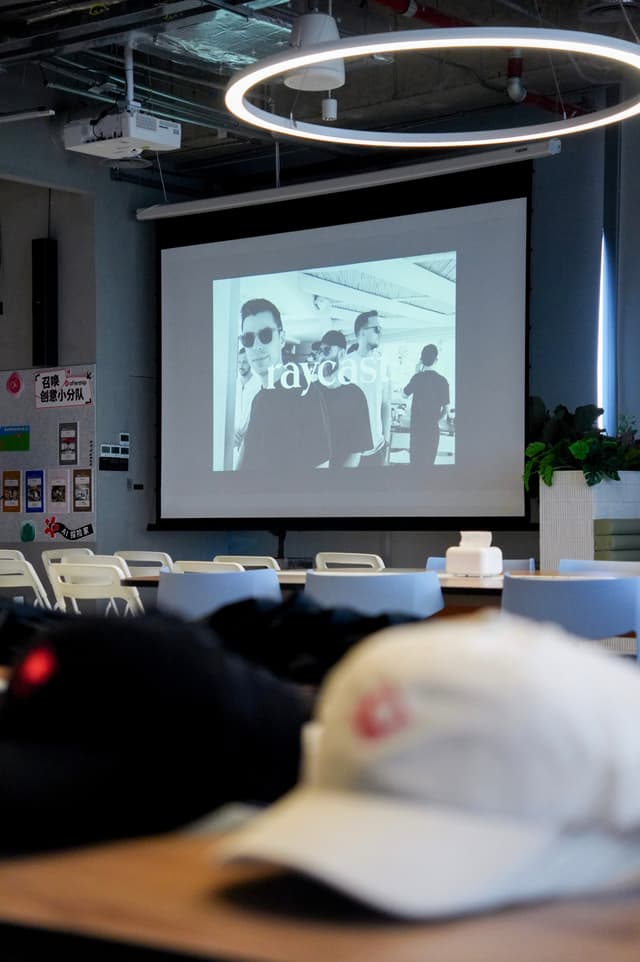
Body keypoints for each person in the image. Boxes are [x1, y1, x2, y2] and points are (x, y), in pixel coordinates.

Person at [238, 298, 330, 473]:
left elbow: (319, 472)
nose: (256, 346)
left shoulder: (306, 394)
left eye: (265, 336)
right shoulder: (259, 397)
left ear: (281, 339)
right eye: (248, 339)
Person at [314, 330, 373, 467]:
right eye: (320, 352)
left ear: (341, 354)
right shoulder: (309, 393)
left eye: (327, 350)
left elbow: (356, 451)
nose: (321, 357)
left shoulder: (355, 396)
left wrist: (340, 483)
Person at [348, 310, 391, 466]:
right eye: (376, 329)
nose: (380, 333)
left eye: (381, 329)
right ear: (362, 332)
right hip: (350, 451)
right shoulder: (345, 364)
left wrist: (386, 444)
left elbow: (386, 405)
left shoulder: (383, 365)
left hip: (377, 448)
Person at [403, 343, 450, 467]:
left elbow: (404, 394)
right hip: (432, 430)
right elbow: (446, 410)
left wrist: (417, 371)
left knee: (415, 464)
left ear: (421, 359)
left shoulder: (417, 378)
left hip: (416, 429)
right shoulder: (443, 381)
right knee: (429, 465)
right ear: (436, 360)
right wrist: (435, 420)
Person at [233, 347, 260, 468]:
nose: (241, 365)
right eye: (239, 362)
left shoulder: (258, 385)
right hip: (233, 439)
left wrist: (247, 435)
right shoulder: (233, 384)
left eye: (244, 362)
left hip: (251, 439)